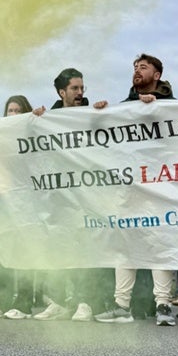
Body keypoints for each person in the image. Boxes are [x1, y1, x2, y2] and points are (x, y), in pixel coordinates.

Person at [93, 54, 178, 326]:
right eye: (134, 68)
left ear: (157, 75)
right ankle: (121, 305)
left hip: (161, 186)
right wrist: (100, 113)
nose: (137, 71)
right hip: (129, 189)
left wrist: (157, 109)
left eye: (143, 67)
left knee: (159, 245)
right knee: (124, 245)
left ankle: (163, 305)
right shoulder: (125, 107)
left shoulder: (173, 107)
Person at [32, 71, 111, 321]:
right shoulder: (48, 118)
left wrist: (105, 115)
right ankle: (59, 301)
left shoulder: (92, 114)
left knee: (85, 250)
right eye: (75, 88)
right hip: (59, 199)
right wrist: (31, 121)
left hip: (86, 197)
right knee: (58, 249)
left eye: (82, 88)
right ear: (61, 93)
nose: (80, 93)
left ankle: (86, 302)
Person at [0, 96, 36, 320]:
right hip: (3, 204)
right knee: (2, 249)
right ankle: (2, 300)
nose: (12, 114)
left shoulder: (32, 135)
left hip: (26, 204)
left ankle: (23, 302)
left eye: (17, 110)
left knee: (23, 252)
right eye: (9, 110)